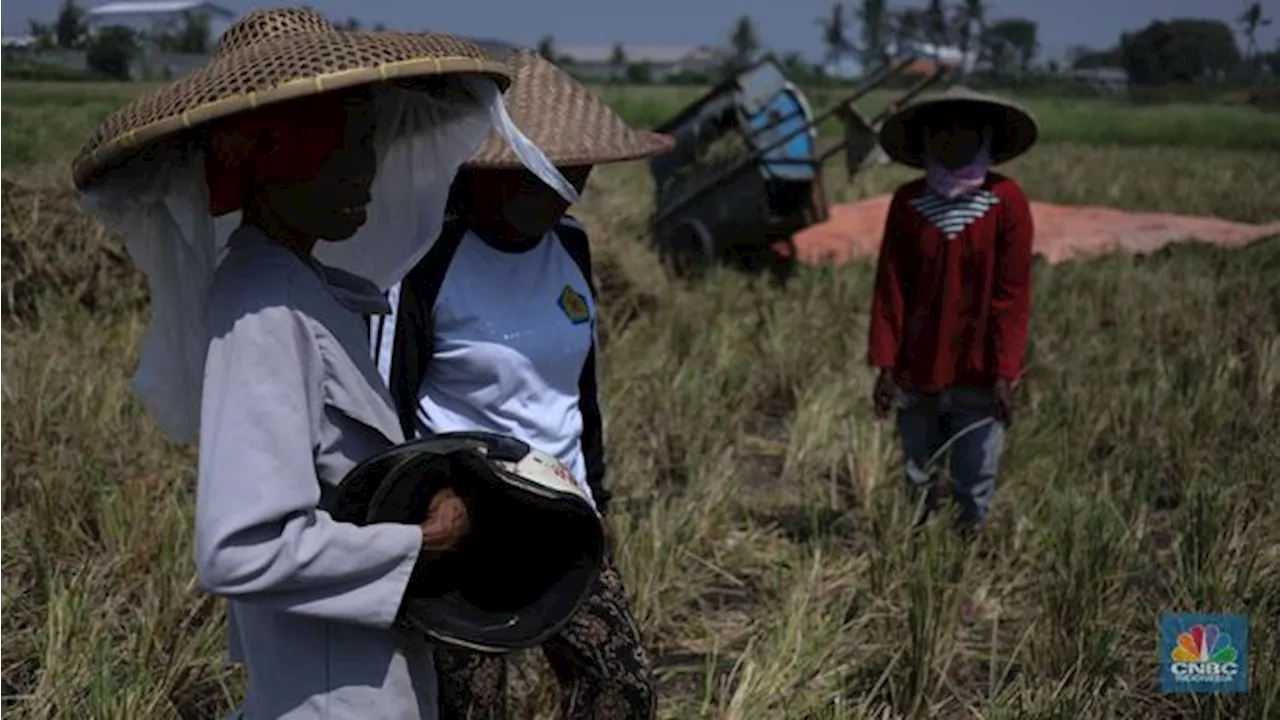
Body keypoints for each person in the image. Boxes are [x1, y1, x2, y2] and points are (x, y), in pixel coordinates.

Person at [70, 9, 580, 718]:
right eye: (344, 145)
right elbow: (240, 549)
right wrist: (421, 542)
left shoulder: (306, 289)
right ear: (276, 157)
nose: (367, 170)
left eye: (370, 141)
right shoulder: (266, 308)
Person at [369, 49, 674, 720]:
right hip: (465, 526)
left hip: (563, 513)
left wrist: (600, 494)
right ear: (489, 175)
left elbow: (579, 387)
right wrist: (417, 517)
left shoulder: (571, 248)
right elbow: (389, 404)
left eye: (582, 169)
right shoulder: (427, 260)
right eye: (559, 171)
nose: (577, 184)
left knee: (621, 688)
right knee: (474, 706)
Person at [867, 87, 1039, 535]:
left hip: (979, 366)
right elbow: (890, 286)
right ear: (925, 140)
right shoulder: (908, 203)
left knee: (975, 468)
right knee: (917, 468)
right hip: (916, 362)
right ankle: (917, 539)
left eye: (964, 129)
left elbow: (1012, 294)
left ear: (984, 137)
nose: (952, 138)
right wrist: (885, 363)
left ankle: (969, 542)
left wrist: (1005, 370)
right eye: (940, 129)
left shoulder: (1006, 202)